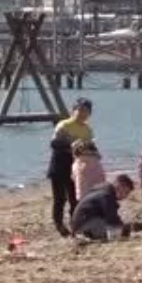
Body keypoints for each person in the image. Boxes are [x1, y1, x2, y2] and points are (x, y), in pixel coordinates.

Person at [48, 98, 94, 237]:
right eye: (79, 110)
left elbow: (91, 148)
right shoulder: (64, 125)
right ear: (73, 111)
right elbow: (54, 144)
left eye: (85, 111)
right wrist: (72, 144)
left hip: (77, 168)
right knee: (60, 199)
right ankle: (59, 225)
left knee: (76, 198)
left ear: (89, 113)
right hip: (59, 166)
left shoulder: (87, 130)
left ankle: (75, 225)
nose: (82, 113)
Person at [70, 174, 136, 242]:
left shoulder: (104, 189)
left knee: (117, 228)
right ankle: (84, 234)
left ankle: (85, 234)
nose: (125, 196)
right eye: (126, 192)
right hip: (84, 223)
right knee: (115, 232)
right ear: (120, 186)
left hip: (81, 221)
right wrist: (121, 227)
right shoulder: (107, 195)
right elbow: (111, 217)